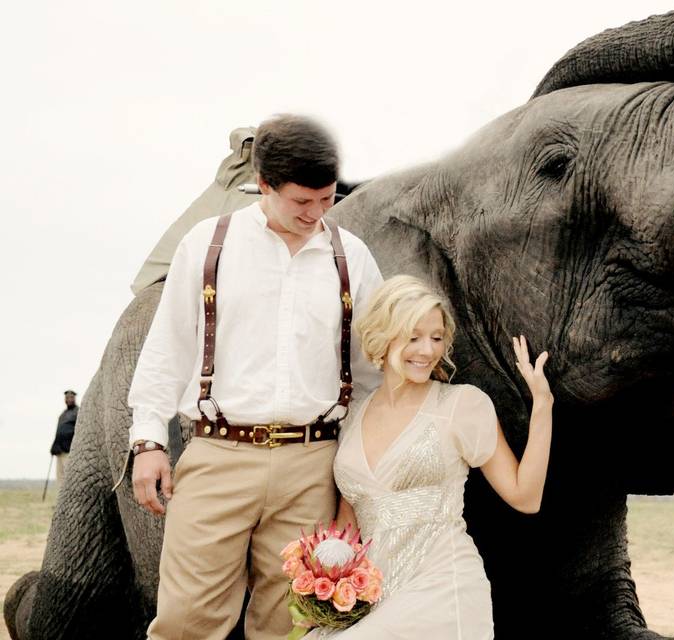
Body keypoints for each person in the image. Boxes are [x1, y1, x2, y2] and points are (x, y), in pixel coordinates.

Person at [127, 114, 383, 640]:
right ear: (263, 185)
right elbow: (167, 347)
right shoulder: (208, 243)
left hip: (314, 463)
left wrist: (356, 475)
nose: (315, 215)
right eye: (301, 202)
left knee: (292, 621)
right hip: (219, 455)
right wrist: (148, 439)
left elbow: (370, 375)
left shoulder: (350, 256)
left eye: (326, 201)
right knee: (184, 620)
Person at [306, 275, 553, 639]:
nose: (427, 350)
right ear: (383, 336)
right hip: (373, 594)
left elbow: (526, 497)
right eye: (413, 336)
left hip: (443, 589)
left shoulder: (462, 405)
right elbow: (350, 520)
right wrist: (324, 588)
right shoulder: (354, 413)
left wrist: (543, 405)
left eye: (437, 338)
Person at [50, 390, 79, 483]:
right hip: (60, 450)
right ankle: (62, 497)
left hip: (70, 450)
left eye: (71, 397)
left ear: (74, 399)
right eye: (67, 398)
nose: (69, 399)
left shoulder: (78, 412)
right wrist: (54, 446)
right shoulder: (63, 414)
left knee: (69, 477)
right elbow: (58, 432)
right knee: (60, 477)